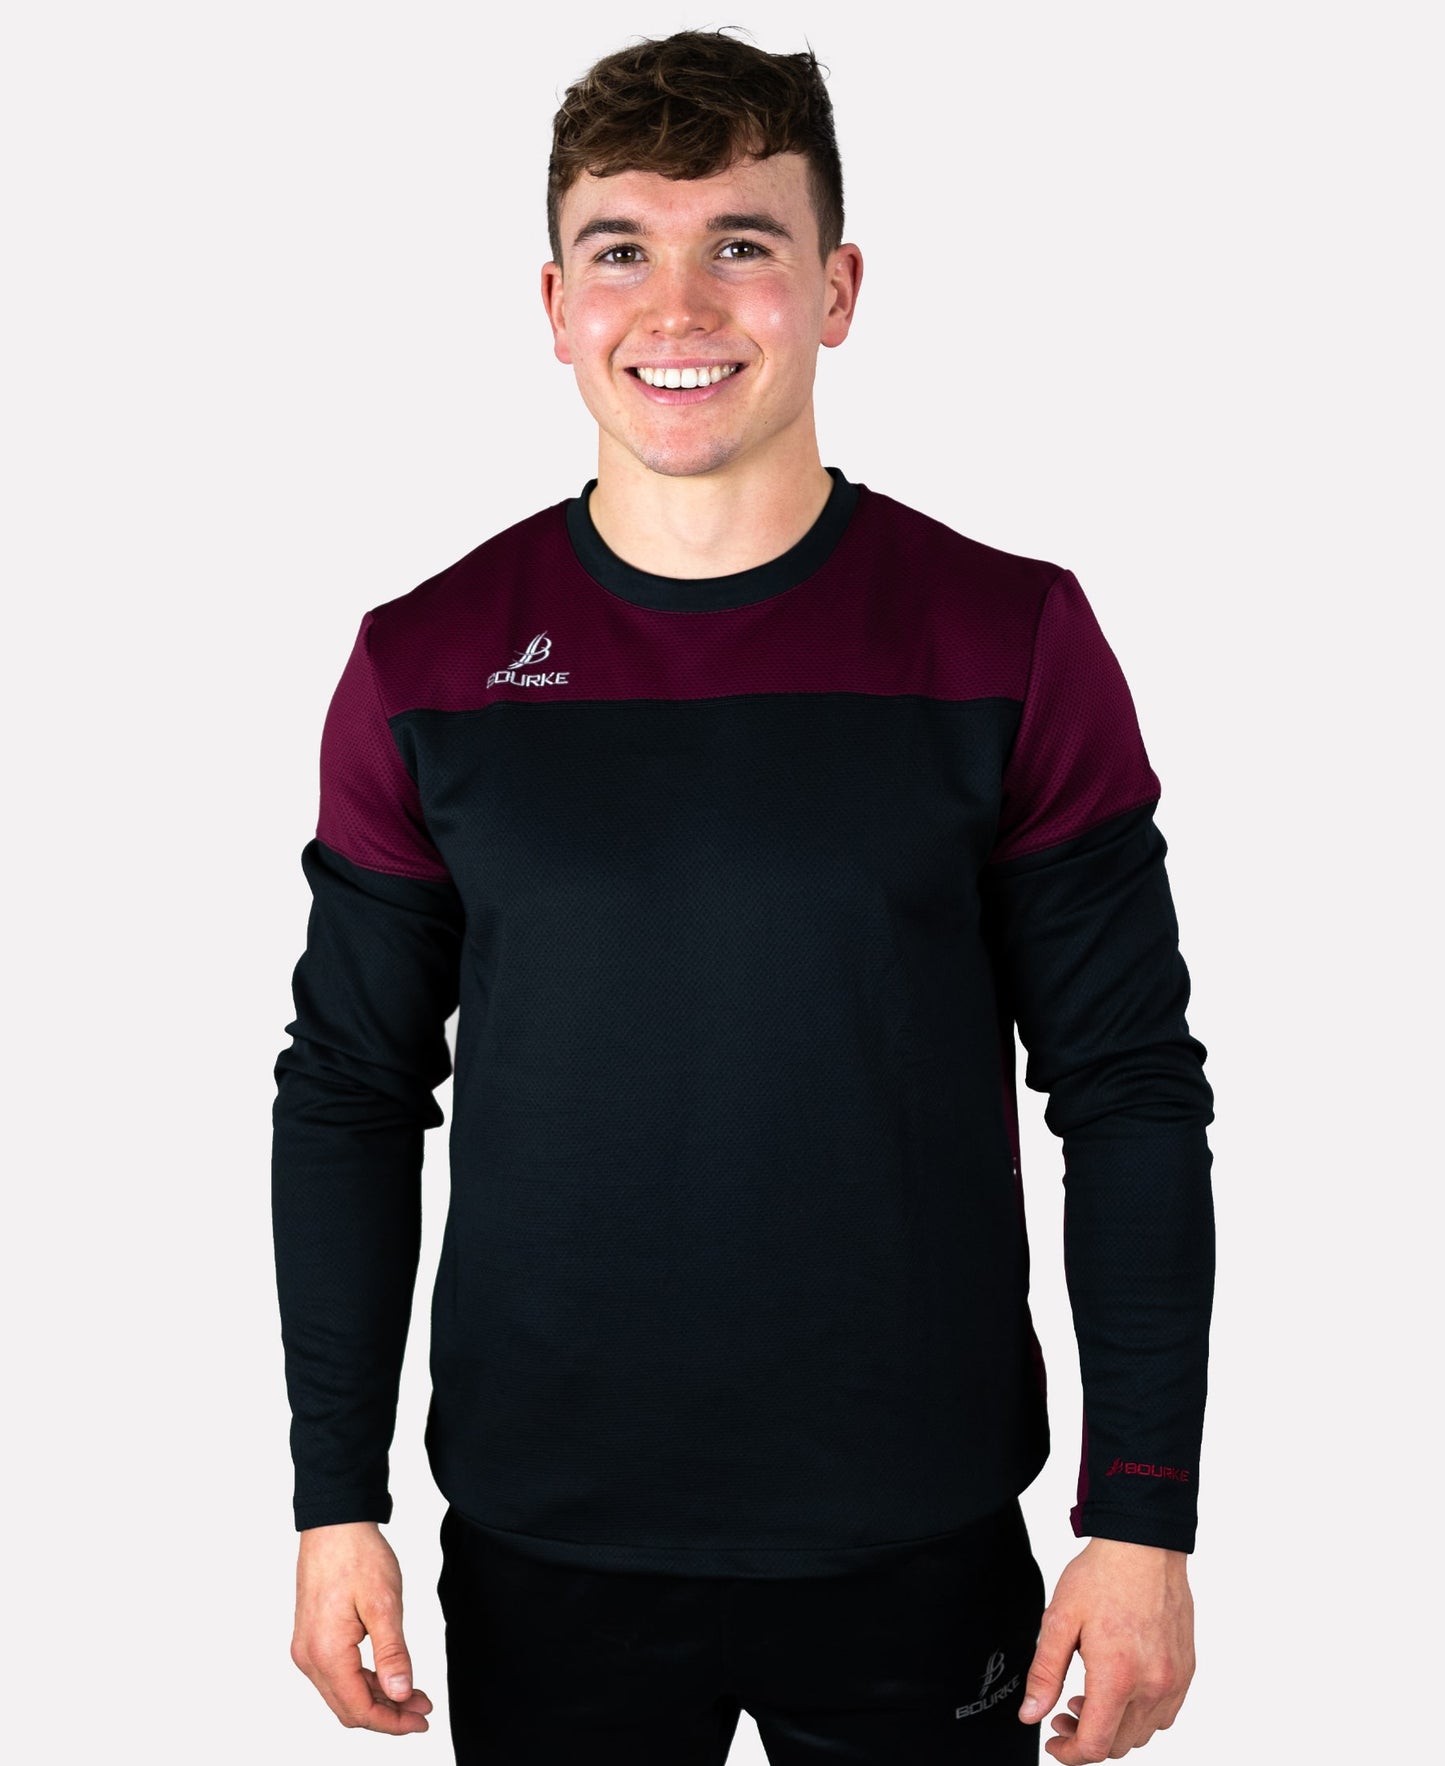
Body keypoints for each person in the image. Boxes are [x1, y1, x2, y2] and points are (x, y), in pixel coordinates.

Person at [271, 27, 1216, 1765]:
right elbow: (346, 1089)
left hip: (916, 1527)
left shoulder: (1006, 638)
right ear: (554, 303)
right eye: (620, 250)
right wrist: (336, 1494)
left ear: (836, 289)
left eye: (741, 244)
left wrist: (1142, 1507)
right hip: (548, 1536)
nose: (678, 306)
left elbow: (1129, 1086)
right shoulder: (426, 662)